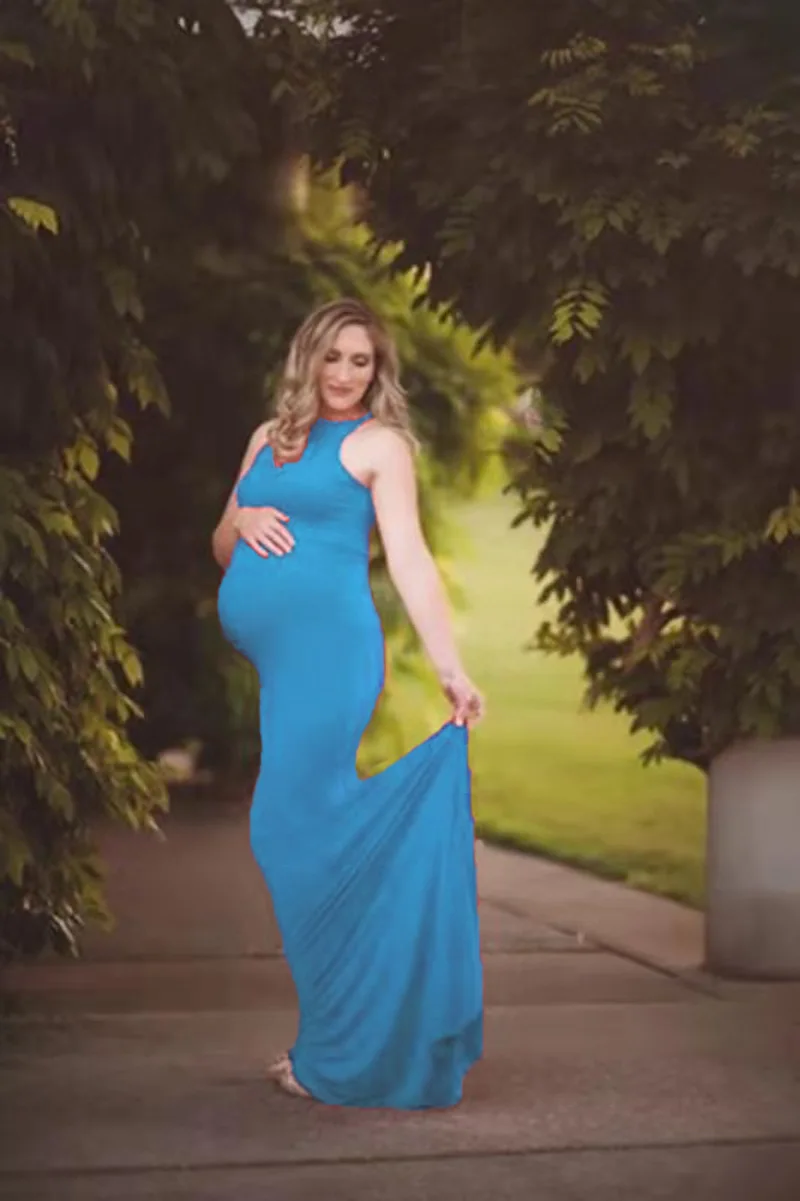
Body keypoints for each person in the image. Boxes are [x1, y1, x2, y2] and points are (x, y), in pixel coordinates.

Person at [213, 297, 485, 1109]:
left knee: (284, 827)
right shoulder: (269, 437)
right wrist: (244, 516)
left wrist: (450, 667)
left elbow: (409, 558)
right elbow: (222, 546)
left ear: (378, 369)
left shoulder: (380, 446)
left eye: (360, 360)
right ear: (308, 357)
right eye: (333, 356)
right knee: (306, 827)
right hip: (280, 661)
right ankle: (338, 1034)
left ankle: (345, 1046)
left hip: (331, 656)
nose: (344, 374)